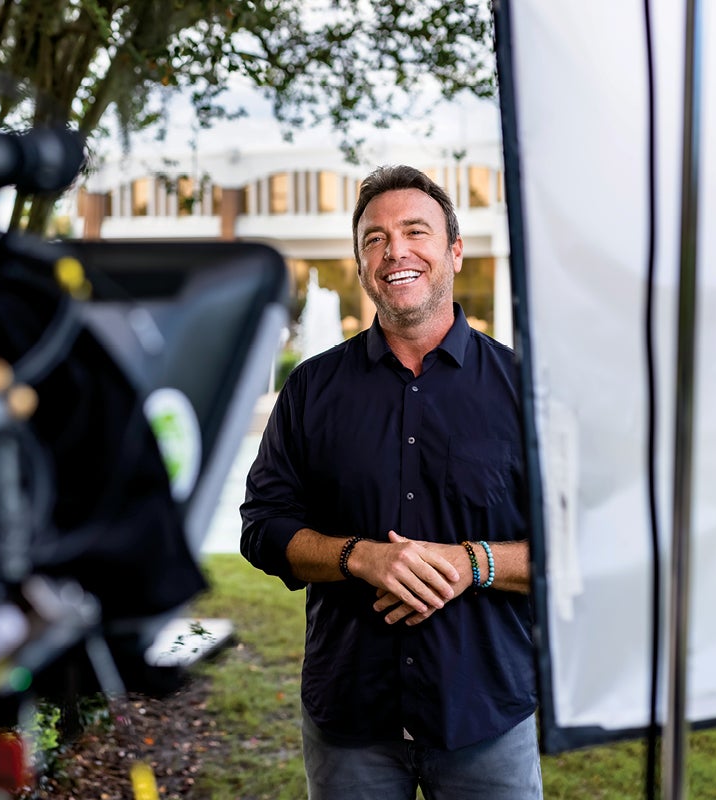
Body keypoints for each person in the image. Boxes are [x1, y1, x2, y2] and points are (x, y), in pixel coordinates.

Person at [240, 164, 540, 799]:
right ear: (361, 265)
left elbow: (579, 544)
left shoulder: (526, 389)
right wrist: (359, 557)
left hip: (485, 716)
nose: (395, 250)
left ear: (454, 252)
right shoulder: (311, 390)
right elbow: (263, 528)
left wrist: (474, 563)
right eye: (374, 239)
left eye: (415, 231)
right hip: (350, 722)